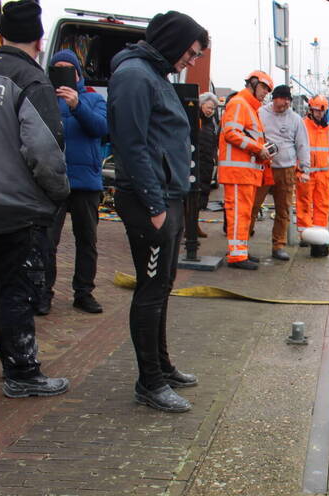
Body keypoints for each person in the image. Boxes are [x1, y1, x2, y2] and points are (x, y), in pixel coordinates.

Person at [107, 10, 208, 412]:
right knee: (150, 291)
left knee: (163, 286)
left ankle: (162, 366)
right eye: (192, 51)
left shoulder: (156, 75)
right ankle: (148, 382)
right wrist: (153, 205)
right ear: (174, 41)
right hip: (151, 201)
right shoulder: (135, 76)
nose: (193, 59)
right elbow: (130, 145)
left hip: (168, 196)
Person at [0, 0, 71, 398]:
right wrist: (58, 196)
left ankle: (10, 360)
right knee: (17, 290)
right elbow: (44, 153)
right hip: (17, 209)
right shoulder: (32, 82)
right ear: (40, 40)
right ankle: (23, 372)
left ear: (0, 35)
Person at [41, 48, 107, 315]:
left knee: (87, 241)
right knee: (46, 241)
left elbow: (102, 129)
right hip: (52, 181)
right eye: (58, 69)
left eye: (69, 69)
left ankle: (84, 292)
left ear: (78, 72)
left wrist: (76, 106)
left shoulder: (92, 99)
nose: (65, 74)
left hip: (86, 182)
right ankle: (43, 292)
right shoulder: (43, 97)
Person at [248, 84, 309, 261]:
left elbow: (302, 144)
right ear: (274, 99)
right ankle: (242, 243)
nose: (285, 104)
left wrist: (305, 168)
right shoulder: (260, 113)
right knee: (253, 206)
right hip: (263, 167)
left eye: (288, 101)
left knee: (284, 209)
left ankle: (278, 245)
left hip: (286, 169)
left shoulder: (296, 119)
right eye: (282, 100)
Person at [219, 71, 273, 270]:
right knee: (237, 213)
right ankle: (236, 255)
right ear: (253, 83)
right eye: (264, 88)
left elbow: (244, 137)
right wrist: (259, 149)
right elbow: (231, 133)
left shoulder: (249, 107)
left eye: (268, 90)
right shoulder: (240, 104)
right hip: (237, 173)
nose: (265, 94)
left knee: (243, 214)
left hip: (246, 173)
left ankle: (240, 251)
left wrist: (262, 151)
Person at [296, 95, 329, 245]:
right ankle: (304, 235)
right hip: (306, 173)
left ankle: (320, 234)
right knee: (304, 204)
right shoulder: (302, 126)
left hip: (323, 175)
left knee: (323, 205)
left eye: (322, 112)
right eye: (317, 111)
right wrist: (298, 170)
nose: (320, 114)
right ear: (311, 110)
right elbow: (297, 149)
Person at [194, 91, 219, 238]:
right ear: (201, 105)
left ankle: (193, 224)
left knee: (203, 193)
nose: (210, 110)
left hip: (207, 162)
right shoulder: (196, 119)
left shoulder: (211, 123)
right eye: (209, 107)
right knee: (193, 195)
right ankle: (190, 226)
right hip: (197, 161)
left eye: (213, 108)